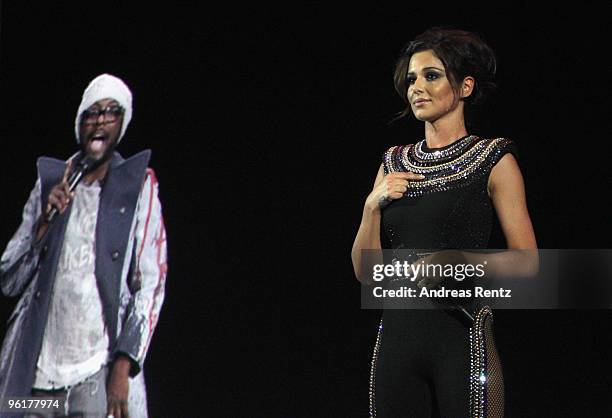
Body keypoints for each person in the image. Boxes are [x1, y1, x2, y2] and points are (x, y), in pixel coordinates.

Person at [351, 28, 538, 417]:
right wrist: (372, 207)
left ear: (466, 86)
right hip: (397, 345)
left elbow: (527, 263)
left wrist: (455, 260)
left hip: (461, 339)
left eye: (431, 75)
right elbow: (366, 274)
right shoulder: (392, 162)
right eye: (411, 79)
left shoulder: (493, 159)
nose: (417, 86)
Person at [0, 74, 167, 418]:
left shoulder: (139, 187)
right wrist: (44, 225)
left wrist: (125, 363)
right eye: (91, 113)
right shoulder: (51, 181)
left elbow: (150, 283)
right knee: (14, 409)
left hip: (93, 377)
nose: (100, 121)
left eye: (111, 112)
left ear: (123, 122)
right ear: (79, 122)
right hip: (37, 378)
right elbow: (10, 279)